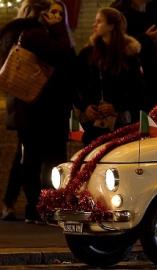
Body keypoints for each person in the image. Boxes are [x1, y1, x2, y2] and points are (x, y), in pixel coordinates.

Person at [0, 0, 76, 222]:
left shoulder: (24, 32)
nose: (57, 16)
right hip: (43, 109)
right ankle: (40, 206)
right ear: (42, 14)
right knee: (46, 158)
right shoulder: (36, 34)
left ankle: (33, 206)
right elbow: (65, 56)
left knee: (31, 157)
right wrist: (59, 30)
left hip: (32, 107)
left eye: (59, 13)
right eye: (52, 12)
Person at [75, 7, 145, 145]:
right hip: (93, 122)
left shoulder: (128, 54)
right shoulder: (87, 53)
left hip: (121, 122)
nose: (94, 25)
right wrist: (85, 106)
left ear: (111, 26)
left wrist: (116, 106)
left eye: (99, 21)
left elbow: (138, 89)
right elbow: (76, 84)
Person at [110, 0, 157, 111]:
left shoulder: (155, 16)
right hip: (132, 88)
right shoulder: (119, 14)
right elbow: (116, 46)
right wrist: (146, 38)